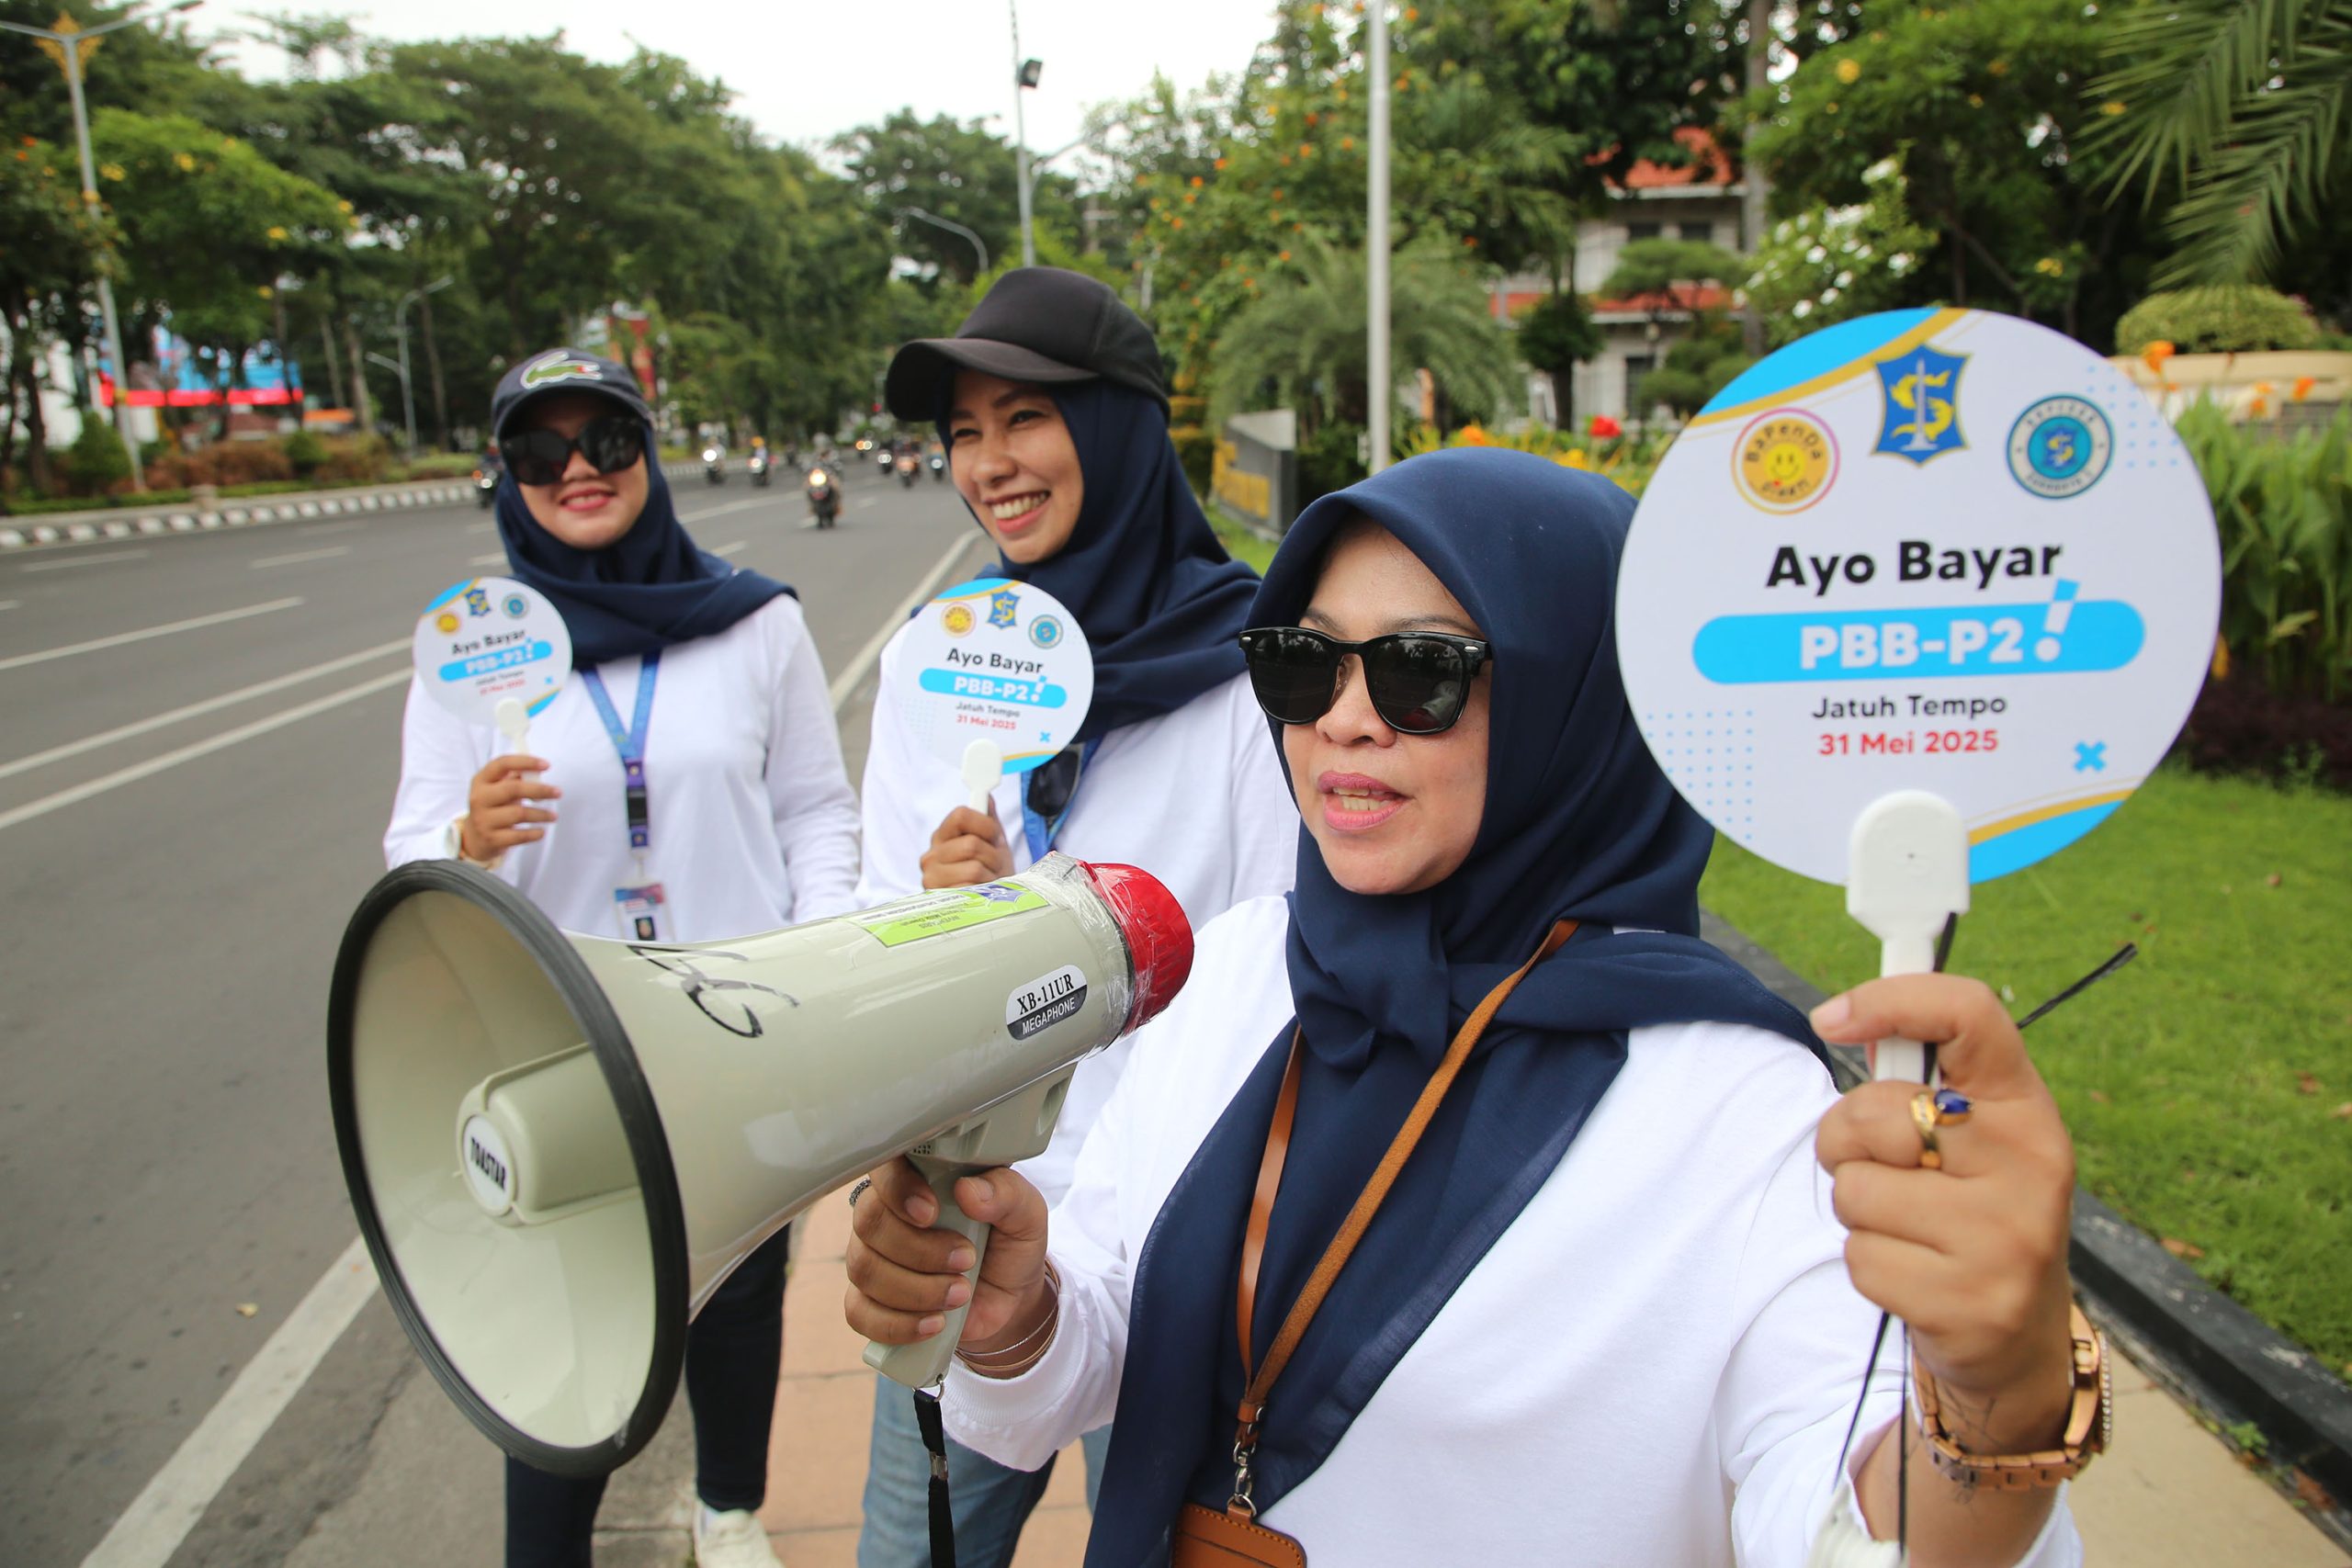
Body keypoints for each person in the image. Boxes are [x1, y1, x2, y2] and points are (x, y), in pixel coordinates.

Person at [845, 449, 2097, 1566]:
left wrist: (1995, 1397)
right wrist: (1022, 1314)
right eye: (1300, 660)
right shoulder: (1243, 972)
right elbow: (1114, 1317)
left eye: (1419, 673)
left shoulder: (1740, 1106)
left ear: (1573, 702)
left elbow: (1843, 1522)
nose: (1342, 718)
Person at [852, 267, 1301, 1567]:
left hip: (1170, 1239)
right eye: (963, 434)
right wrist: (942, 923)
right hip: (961, 1219)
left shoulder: (1255, 678)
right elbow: (870, 935)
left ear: (1115, 425)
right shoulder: (935, 664)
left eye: (1024, 418)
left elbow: (1278, 968)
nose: (990, 463)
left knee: (1148, 1542)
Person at [385, 348, 861, 1568]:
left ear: (651, 452)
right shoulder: (472, 653)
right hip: (561, 1033)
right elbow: (408, 859)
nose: (579, 471)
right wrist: (466, 840)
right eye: (543, 454)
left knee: (744, 1289)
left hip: (739, 1021)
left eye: (607, 441)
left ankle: (728, 1508)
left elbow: (816, 808)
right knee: (571, 1315)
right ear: (508, 476)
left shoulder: (757, 623)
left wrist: (820, 960)